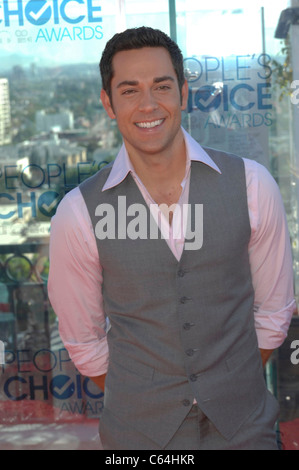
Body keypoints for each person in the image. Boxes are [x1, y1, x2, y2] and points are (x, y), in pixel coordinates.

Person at [48, 27, 296, 450]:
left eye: (161, 86)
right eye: (129, 90)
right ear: (108, 102)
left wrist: (229, 384)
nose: (148, 104)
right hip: (138, 440)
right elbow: (83, 340)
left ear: (182, 93)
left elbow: (275, 309)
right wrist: (144, 395)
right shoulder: (77, 212)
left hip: (246, 429)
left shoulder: (252, 185)